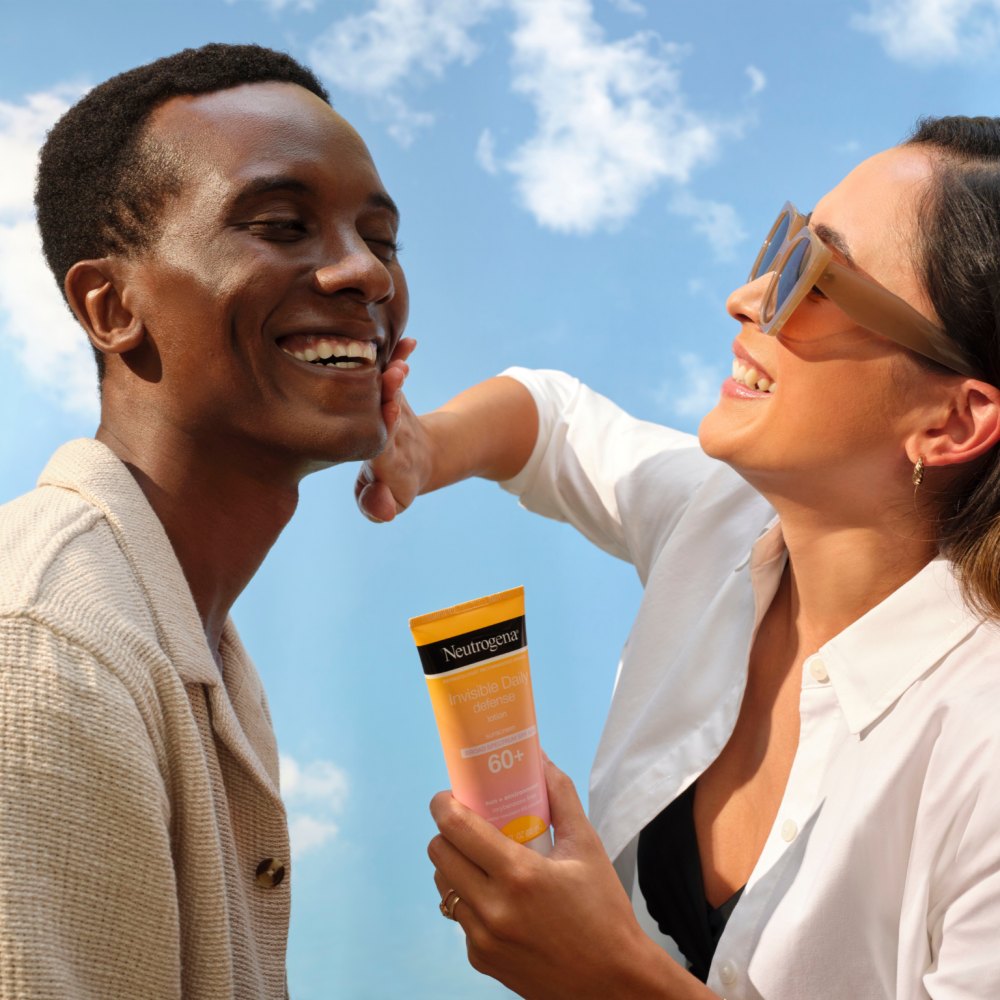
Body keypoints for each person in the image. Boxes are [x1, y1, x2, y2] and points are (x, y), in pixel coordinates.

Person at [357, 117, 1000, 998]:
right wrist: (425, 447)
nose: (747, 295)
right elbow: (553, 421)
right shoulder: (723, 519)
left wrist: (606, 976)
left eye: (815, 278)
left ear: (953, 421)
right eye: (785, 242)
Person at [0, 44, 414, 998]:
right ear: (111, 307)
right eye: (281, 225)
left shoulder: (185, 636)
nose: (365, 276)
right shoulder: (52, 646)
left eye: (382, 240)